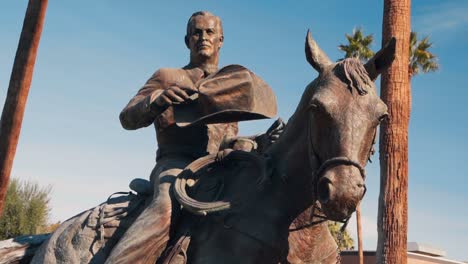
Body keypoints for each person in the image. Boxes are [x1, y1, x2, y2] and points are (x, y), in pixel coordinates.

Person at [105, 11, 280, 264]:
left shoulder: (230, 86)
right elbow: (127, 118)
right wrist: (156, 101)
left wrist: (258, 141)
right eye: (196, 32)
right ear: (187, 40)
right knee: (165, 206)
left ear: (221, 40)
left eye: (209, 32)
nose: (203, 37)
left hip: (220, 167)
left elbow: (229, 139)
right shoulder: (167, 76)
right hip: (176, 166)